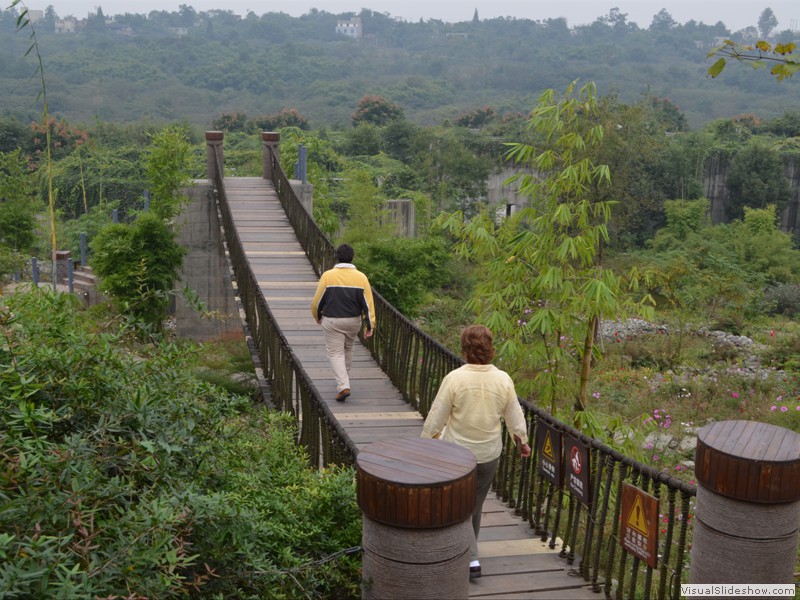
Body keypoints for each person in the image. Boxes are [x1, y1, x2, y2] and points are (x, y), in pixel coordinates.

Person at [421, 324, 531, 581]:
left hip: (457, 455)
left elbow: (437, 418)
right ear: (490, 348)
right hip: (488, 454)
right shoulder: (503, 379)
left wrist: (425, 443)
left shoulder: (455, 379)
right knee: (474, 505)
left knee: (457, 504)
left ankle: (470, 558)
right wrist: (521, 441)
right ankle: (468, 552)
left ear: (465, 349)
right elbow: (515, 416)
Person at [310, 243, 376, 402]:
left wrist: (317, 316)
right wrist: (370, 325)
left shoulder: (328, 276)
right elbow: (368, 304)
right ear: (352, 258)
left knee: (335, 353)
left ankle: (343, 385)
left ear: (337, 257)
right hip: (354, 321)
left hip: (332, 320)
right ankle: (344, 380)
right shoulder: (361, 277)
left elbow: (317, 301)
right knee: (348, 348)